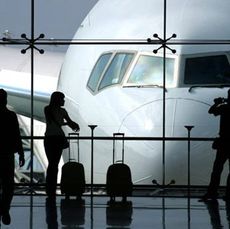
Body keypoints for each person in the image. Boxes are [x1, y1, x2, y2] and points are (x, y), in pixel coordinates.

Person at [44, 91, 80, 200]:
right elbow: (68, 122)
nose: (63, 100)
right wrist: (71, 124)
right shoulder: (63, 111)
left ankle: (50, 189)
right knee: (55, 164)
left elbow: (53, 121)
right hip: (58, 139)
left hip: (49, 138)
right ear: (58, 99)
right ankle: (52, 188)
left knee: (52, 164)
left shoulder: (47, 109)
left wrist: (65, 123)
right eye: (62, 99)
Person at [0, 89, 25, 225]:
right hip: (7, 154)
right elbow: (16, 135)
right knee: (8, 184)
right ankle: (5, 208)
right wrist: (20, 152)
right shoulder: (11, 116)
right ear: (5, 100)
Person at [201, 89, 230, 201]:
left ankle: (212, 192)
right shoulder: (225, 107)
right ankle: (228, 194)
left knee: (217, 169)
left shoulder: (224, 108)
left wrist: (217, 102)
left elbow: (211, 111)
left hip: (223, 143)